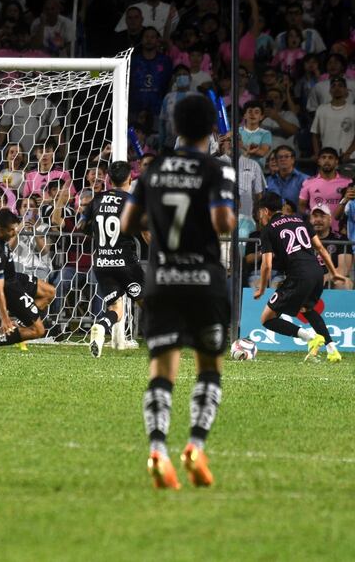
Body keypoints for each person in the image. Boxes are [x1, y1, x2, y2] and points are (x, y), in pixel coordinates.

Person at [120, 95, 236, 490]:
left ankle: (157, 448)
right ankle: (196, 445)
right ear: (211, 129)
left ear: (175, 127)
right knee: (208, 368)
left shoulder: (150, 172)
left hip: (163, 280)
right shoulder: (216, 169)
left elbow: (127, 223)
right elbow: (223, 223)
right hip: (204, 280)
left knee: (162, 371)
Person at [253, 192, 344, 363]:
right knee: (307, 309)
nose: (259, 216)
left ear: (265, 211)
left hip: (298, 275)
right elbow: (321, 249)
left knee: (266, 319)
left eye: (259, 212)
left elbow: (267, 264)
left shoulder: (268, 230)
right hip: (317, 272)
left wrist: (262, 288)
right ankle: (332, 351)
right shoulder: (299, 220)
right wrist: (334, 272)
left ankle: (310, 337)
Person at [0, 209, 56, 350]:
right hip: (6, 286)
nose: (14, 233)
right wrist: (4, 319)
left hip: (12, 277)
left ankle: (18, 331)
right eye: (11, 230)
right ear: (0, 229)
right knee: (39, 331)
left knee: (49, 292)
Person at [84, 161, 146, 357]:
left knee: (115, 308)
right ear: (130, 178)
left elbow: (82, 227)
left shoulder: (96, 200)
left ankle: (101, 327)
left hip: (102, 263)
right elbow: (145, 232)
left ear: (109, 179)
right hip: (125, 263)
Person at [298, 148, 351, 231]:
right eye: (323, 157)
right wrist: (312, 215)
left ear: (336, 161)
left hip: (341, 231)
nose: (327, 160)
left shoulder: (347, 182)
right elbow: (301, 205)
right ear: (318, 161)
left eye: (330, 158)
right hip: (316, 232)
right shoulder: (308, 182)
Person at [310, 203, 353, 289]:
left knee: (343, 283)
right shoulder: (303, 240)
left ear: (330, 220)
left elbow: (343, 269)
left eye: (322, 216)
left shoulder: (341, 239)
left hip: (330, 280)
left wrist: (323, 278)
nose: (318, 219)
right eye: (315, 216)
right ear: (310, 220)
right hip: (308, 280)